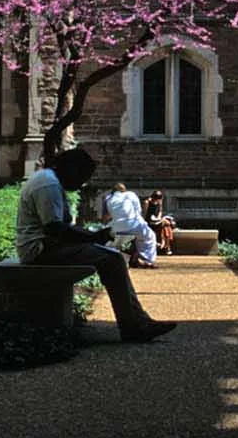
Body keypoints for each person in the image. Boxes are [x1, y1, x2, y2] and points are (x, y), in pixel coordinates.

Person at [15, 146, 176, 342]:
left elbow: (57, 229)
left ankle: (136, 322)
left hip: (45, 246)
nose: (83, 183)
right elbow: (55, 229)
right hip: (39, 250)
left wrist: (94, 236)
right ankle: (134, 325)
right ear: (71, 169)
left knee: (112, 257)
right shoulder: (48, 185)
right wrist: (94, 237)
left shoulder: (49, 180)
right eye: (82, 176)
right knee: (113, 259)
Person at [103, 181, 159, 268]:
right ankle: (146, 260)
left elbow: (106, 217)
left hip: (117, 227)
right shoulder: (130, 195)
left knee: (109, 242)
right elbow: (138, 211)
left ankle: (116, 259)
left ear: (113, 191)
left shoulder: (108, 198)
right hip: (133, 224)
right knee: (150, 236)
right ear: (124, 190)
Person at [145, 189, 176, 256]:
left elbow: (160, 211)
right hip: (149, 221)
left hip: (157, 220)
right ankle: (166, 247)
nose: (157, 201)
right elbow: (144, 214)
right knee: (166, 224)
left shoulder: (159, 202)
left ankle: (165, 245)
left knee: (167, 225)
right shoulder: (147, 202)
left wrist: (159, 218)